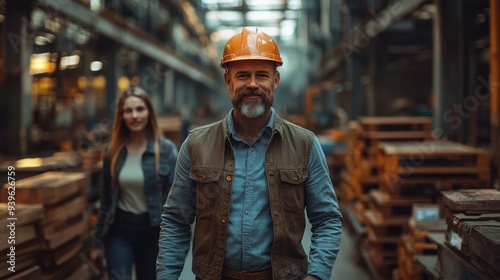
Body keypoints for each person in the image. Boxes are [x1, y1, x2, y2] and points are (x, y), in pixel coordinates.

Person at [157, 27, 343, 280]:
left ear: (275, 81)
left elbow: (327, 219)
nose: (253, 84)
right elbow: (176, 220)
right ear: (228, 81)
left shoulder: (305, 144)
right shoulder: (196, 144)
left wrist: (316, 275)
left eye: (262, 76)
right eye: (243, 75)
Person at [90, 86, 178, 280]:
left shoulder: (166, 151)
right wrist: (96, 242)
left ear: (149, 113)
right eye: (128, 111)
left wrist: (174, 244)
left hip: (153, 231)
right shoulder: (112, 152)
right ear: (121, 116)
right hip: (119, 230)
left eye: (140, 109)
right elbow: (106, 200)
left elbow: (176, 203)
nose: (134, 115)